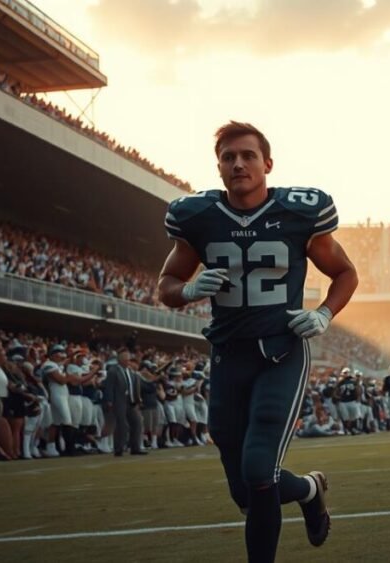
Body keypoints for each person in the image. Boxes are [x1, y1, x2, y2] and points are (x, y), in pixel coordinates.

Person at [157, 121, 358, 562]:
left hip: (281, 351)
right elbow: (167, 283)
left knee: (258, 469)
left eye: (248, 155)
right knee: (246, 492)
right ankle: (308, 489)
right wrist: (188, 291)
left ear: (267, 163)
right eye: (229, 157)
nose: (238, 163)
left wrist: (324, 314)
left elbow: (345, 273)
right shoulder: (199, 217)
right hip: (229, 354)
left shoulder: (299, 212)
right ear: (219, 168)